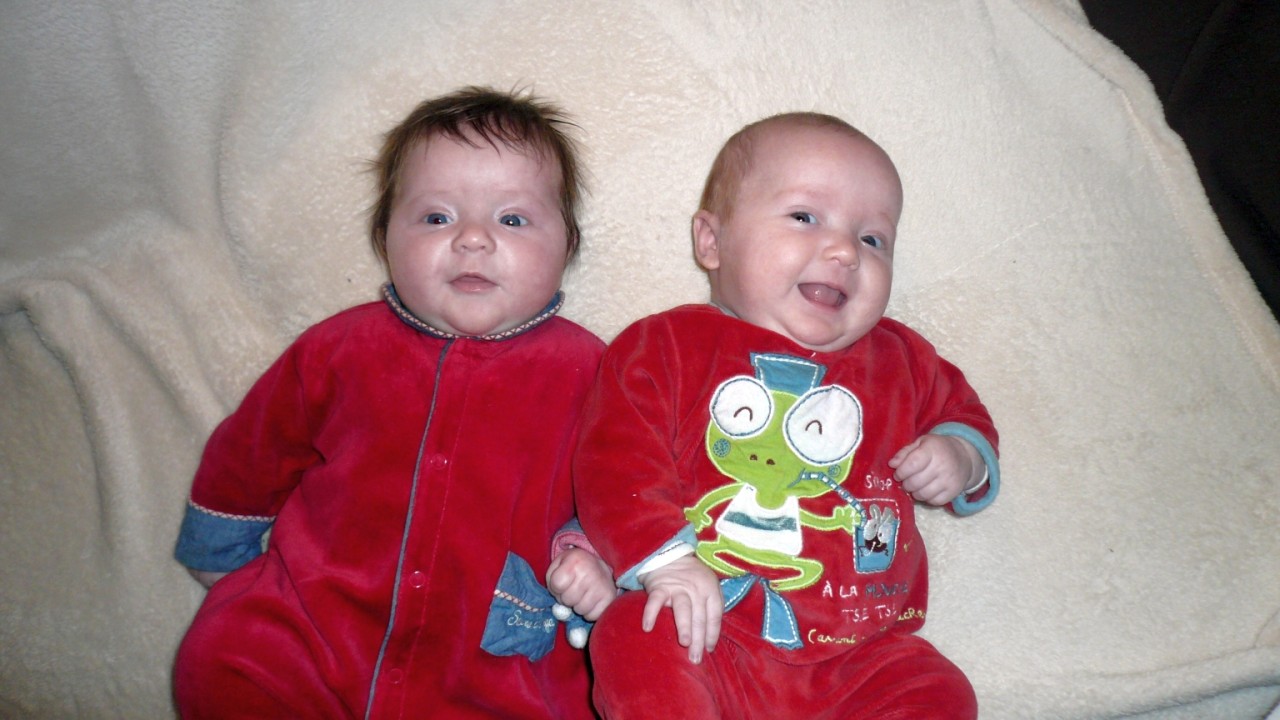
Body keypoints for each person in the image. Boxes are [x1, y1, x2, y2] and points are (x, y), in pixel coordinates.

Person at [172, 86, 612, 719]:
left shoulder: (592, 373)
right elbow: (254, 447)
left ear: (567, 246)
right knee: (223, 661)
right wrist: (221, 556)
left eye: (512, 220)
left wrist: (589, 555)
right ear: (385, 237)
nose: (472, 240)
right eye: (436, 218)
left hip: (486, 658)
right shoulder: (338, 348)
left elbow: (622, 486)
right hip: (316, 627)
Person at [574, 112, 1001, 719]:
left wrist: (961, 455)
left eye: (873, 239)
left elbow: (966, 414)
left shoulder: (902, 361)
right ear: (711, 242)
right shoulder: (665, 347)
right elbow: (616, 464)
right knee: (633, 636)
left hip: (861, 655)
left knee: (938, 689)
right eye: (804, 217)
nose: (844, 251)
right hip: (708, 626)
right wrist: (668, 564)